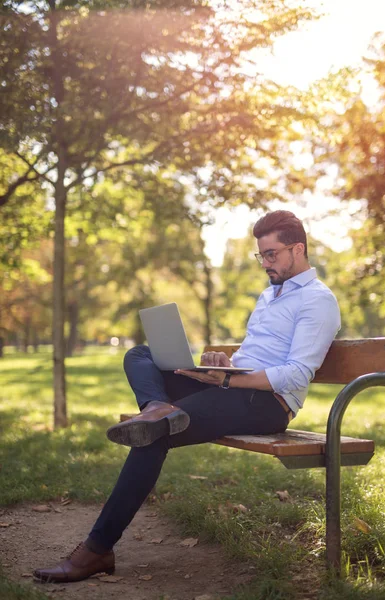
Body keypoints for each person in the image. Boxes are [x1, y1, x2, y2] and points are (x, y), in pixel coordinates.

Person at [34, 210, 341, 583]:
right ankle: (156, 406)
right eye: (260, 255)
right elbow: (255, 355)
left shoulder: (317, 301)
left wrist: (226, 381)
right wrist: (223, 366)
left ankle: (96, 551)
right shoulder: (268, 296)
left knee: (153, 435)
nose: (265, 263)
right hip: (233, 385)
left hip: (267, 405)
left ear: (298, 249)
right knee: (141, 355)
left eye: (271, 254)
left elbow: (295, 373)